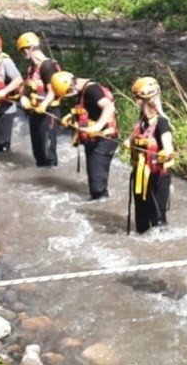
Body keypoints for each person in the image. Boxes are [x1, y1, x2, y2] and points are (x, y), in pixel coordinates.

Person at [50, 71, 119, 200]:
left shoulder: (92, 90)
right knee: (95, 181)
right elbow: (88, 110)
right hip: (95, 140)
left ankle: (100, 208)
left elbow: (109, 107)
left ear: (71, 87)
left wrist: (97, 126)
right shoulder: (83, 90)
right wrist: (71, 117)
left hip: (103, 140)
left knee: (97, 188)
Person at [127, 76, 174, 233]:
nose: (136, 100)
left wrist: (165, 152)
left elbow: (168, 146)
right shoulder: (141, 120)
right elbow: (135, 136)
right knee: (141, 219)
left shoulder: (162, 123)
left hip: (157, 177)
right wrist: (129, 141)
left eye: (137, 97)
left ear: (145, 99)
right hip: (140, 175)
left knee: (157, 219)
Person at [17, 32, 61, 167]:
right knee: (39, 153)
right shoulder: (32, 68)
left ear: (28, 49)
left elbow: (52, 91)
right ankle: (41, 179)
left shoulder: (47, 66)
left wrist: (44, 105)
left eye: (23, 51)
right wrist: (23, 97)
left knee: (48, 153)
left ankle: (51, 180)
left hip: (49, 113)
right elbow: (26, 88)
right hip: (35, 113)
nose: (24, 55)